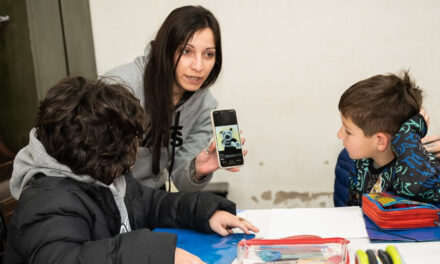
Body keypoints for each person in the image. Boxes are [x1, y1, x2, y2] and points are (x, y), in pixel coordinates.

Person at [4, 76, 258, 263]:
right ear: (100, 153)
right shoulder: (46, 200)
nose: (136, 153)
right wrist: (160, 253)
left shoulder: (101, 171)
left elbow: (151, 204)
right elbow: (65, 259)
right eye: (131, 145)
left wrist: (206, 213)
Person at [105, 5, 241, 192]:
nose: (198, 66)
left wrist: (198, 170)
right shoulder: (120, 88)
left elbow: (181, 182)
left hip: (151, 195)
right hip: (104, 193)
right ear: (165, 50)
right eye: (186, 51)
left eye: (208, 54)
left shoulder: (204, 107)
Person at [336, 71, 440, 206]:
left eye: (348, 132)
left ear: (380, 141)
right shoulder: (360, 163)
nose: (339, 134)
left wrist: (407, 135)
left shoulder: (419, 170)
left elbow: (417, 186)